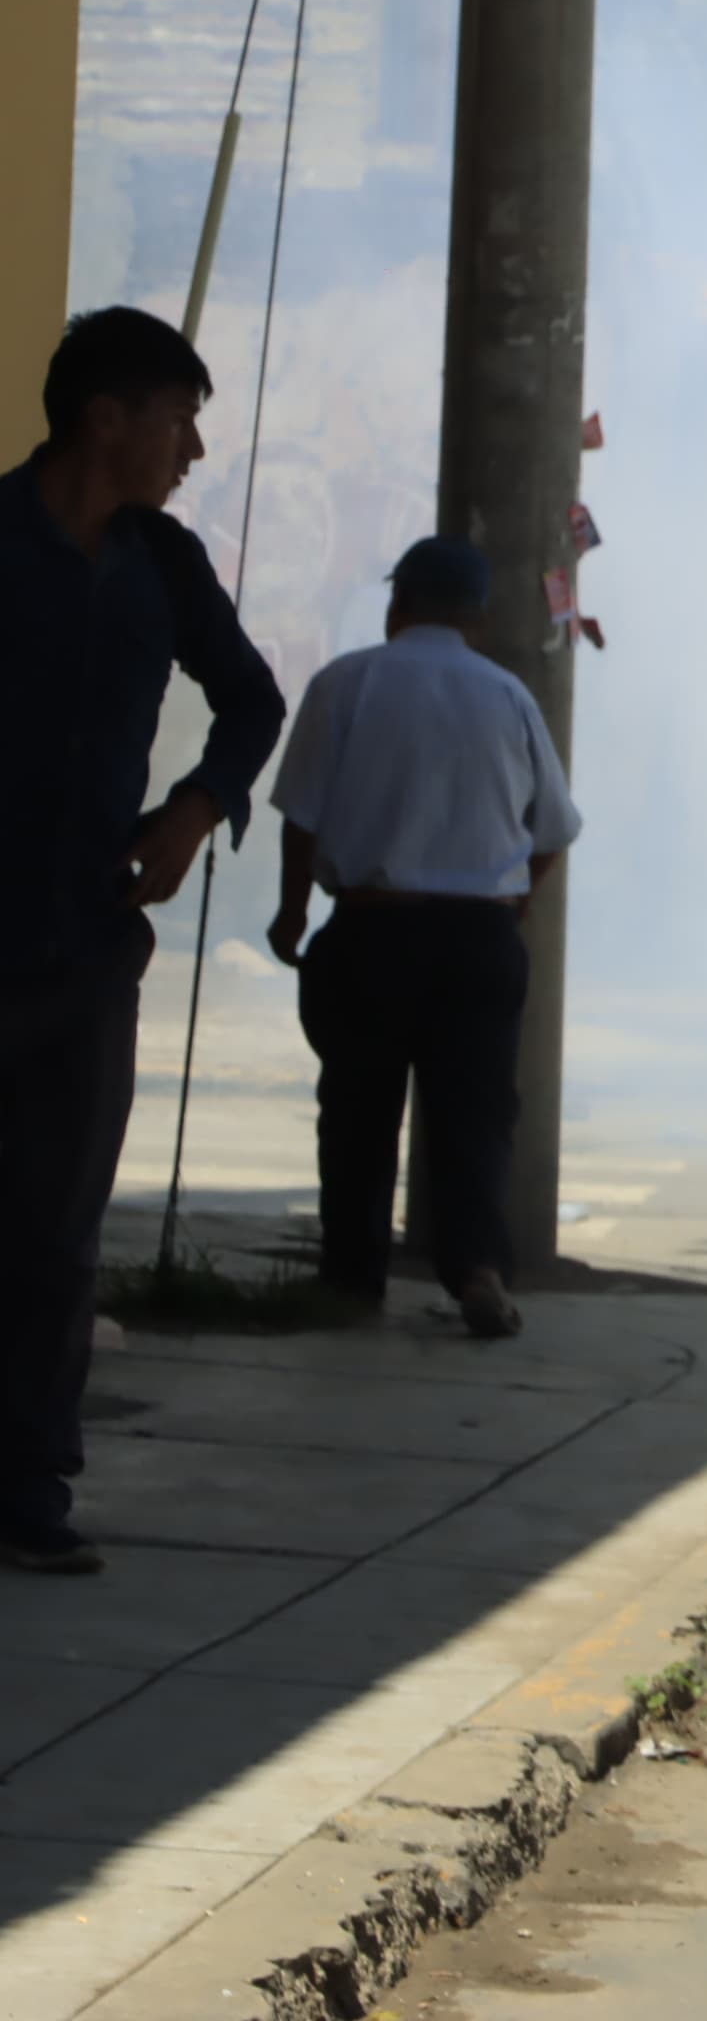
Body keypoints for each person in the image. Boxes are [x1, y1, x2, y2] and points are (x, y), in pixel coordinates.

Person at [1, 307, 285, 1575]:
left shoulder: (164, 566)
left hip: (86, 949)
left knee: (58, 1237)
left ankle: (29, 1489)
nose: (194, 447)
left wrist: (197, 805)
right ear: (103, 418)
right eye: (179, 417)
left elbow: (252, 698)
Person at [267, 537, 581, 1341]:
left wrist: (293, 913)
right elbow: (553, 829)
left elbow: (299, 818)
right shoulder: (508, 695)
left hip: (371, 926)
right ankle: (476, 1269)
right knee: (474, 1115)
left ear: (396, 602)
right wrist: (507, 905)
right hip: (478, 937)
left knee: (358, 1109)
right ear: (476, 616)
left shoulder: (346, 682)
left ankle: (351, 1278)